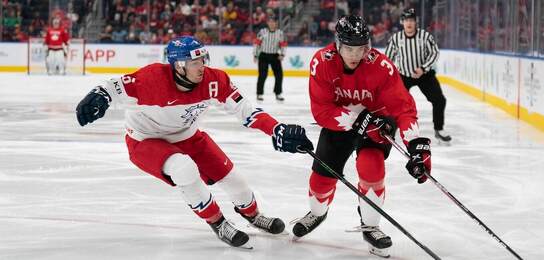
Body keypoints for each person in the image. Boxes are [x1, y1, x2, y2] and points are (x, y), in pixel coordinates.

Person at [75, 36, 313, 249]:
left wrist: (275, 128)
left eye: (203, 60)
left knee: (235, 179)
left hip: (188, 136)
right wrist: (98, 96)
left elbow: (245, 110)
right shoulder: (151, 79)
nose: (201, 67)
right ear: (178, 65)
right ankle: (217, 221)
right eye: (194, 63)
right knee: (183, 169)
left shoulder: (214, 80)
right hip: (145, 140)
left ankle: (252, 215)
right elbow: (112, 87)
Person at [290, 15, 433, 258]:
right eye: (349, 48)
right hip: (340, 122)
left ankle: (371, 226)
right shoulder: (322, 63)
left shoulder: (381, 66)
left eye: (361, 48)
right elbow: (321, 111)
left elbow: (403, 108)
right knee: (320, 180)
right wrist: (357, 121)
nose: (356, 54)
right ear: (337, 44)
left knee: (372, 168)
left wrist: (417, 145)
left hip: (377, 121)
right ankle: (317, 211)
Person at [385, 8, 451, 143]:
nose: (409, 23)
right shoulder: (396, 38)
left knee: (439, 100)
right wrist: (388, 77)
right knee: (396, 103)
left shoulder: (425, 36)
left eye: (411, 20)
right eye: (406, 20)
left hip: (424, 75)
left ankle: (439, 129)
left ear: (416, 22)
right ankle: (391, 130)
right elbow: (388, 58)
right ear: (402, 22)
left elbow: (434, 53)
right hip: (404, 76)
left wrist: (423, 68)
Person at [253, 16, 287, 102]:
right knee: (263, 75)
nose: (271, 24)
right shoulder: (262, 32)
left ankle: (278, 93)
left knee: (279, 75)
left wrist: (282, 54)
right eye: (270, 22)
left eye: (273, 22)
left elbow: (283, 45)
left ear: (276, 23)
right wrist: (255, 55)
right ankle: (259, 93)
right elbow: (257, 44)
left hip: (275, 55)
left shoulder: (280, 33)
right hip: (264, 55)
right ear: (267, 23)